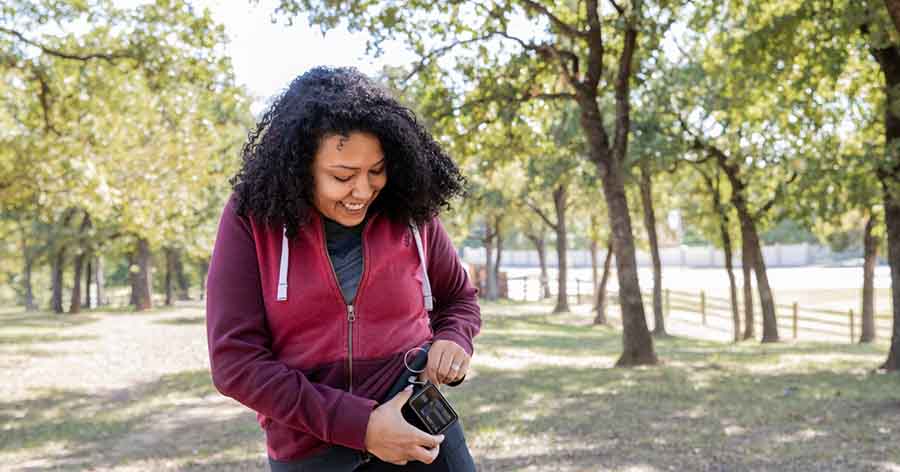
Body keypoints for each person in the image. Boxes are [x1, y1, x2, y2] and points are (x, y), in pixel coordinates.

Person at [205, 66, 481, 471]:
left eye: (377, 170)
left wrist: (454, 339)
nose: (364, 190)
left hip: (418, 433)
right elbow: (235, 361)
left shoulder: (410, 213)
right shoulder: (252, 218)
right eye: (342, 175)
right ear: (300, 168)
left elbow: (458, 299)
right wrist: (363, 426)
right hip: (308, 448)